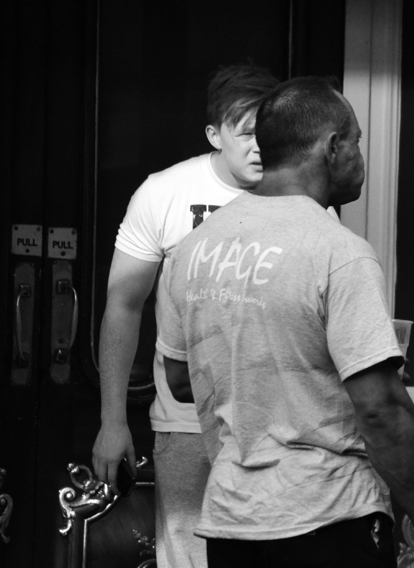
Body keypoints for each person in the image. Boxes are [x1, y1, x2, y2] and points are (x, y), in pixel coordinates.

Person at [157, 76, 414, 568]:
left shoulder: (193, 248)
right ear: (332, 147)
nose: (360, 156)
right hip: (328, 518)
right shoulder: (338, 251)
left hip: (232, 523)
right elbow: (380, 409)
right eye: (357, 142)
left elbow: (180, 379)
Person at [91, 63, 278, 568]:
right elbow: (124, 306)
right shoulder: (165, 192)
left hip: (276, 429)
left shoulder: (300, 196)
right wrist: (112, 421)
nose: (261, 146)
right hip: (186, 423)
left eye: (270, 131)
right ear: (215, 135)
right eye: (247, 133)